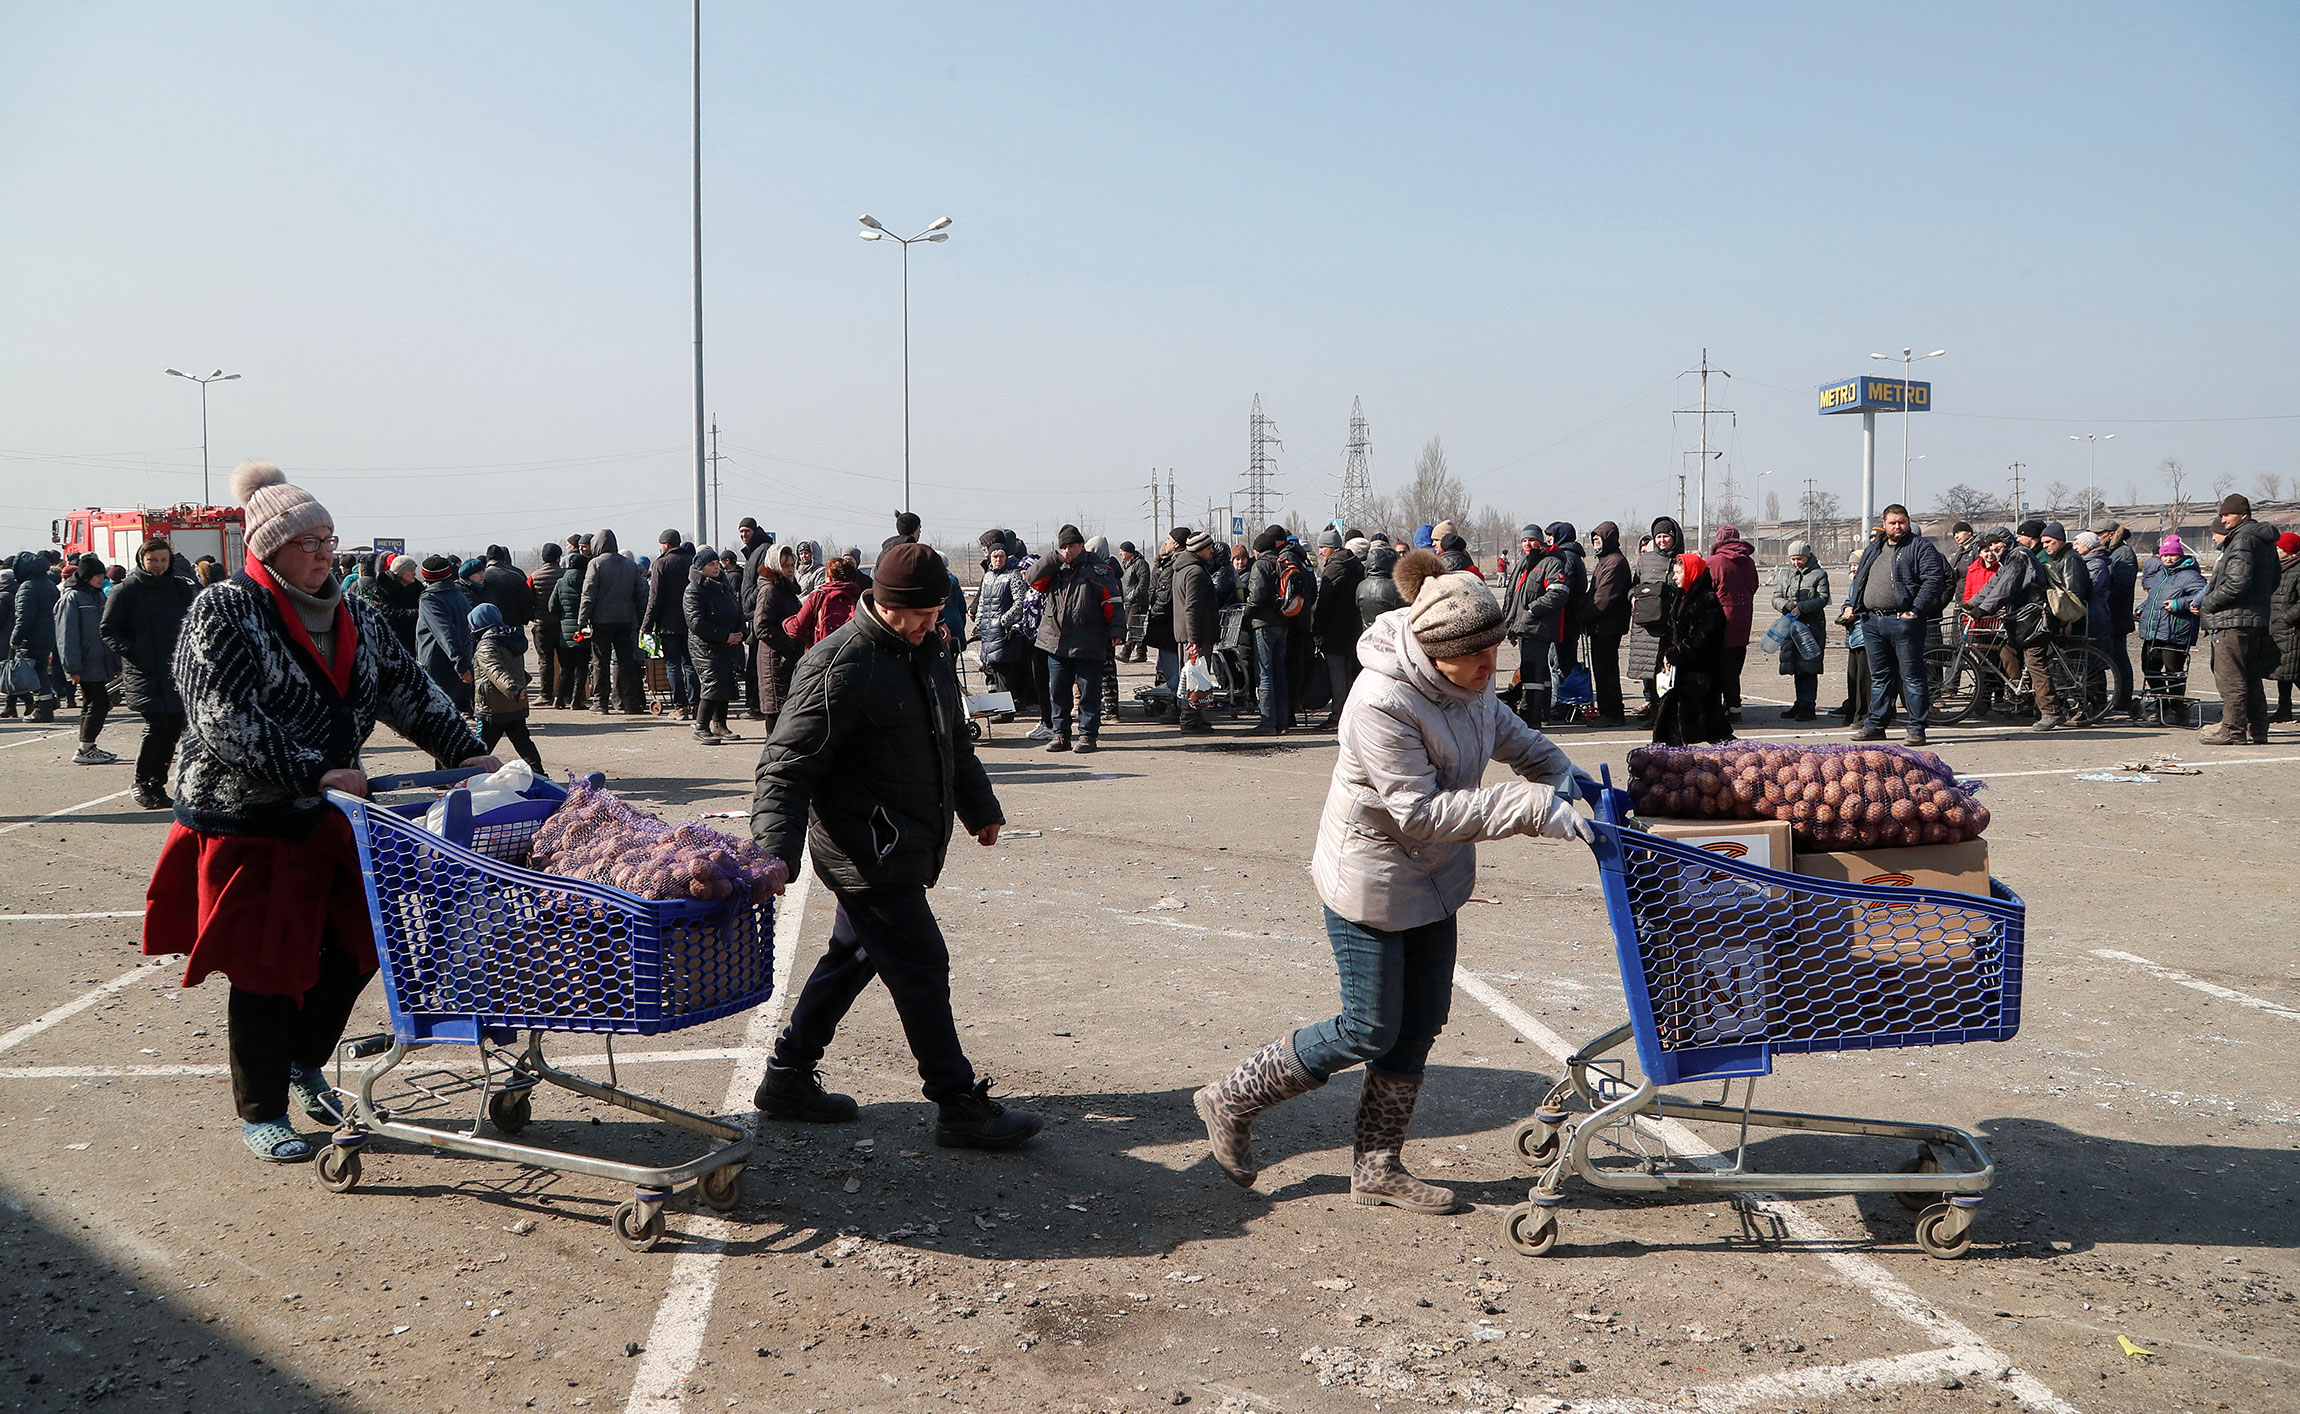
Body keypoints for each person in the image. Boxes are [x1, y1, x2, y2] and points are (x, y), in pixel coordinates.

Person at [1193, 548, 1590, 1213]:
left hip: (1434, 878)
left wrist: (1560, 773)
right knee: (1368, 1027)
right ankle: (1232, 1095)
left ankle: (1377, 1168)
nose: (1494, 673)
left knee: (1422, 1021)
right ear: (1437, 654)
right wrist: (1529, 808)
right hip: (1371, 880)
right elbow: (1418, 812)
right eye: (1481, 663)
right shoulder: (1379, 702)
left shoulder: (1473, 675)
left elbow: (1506, 731)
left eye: (1495, 659)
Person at [143, 461, 493, 1165]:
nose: (326, 552)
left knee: (363, 941)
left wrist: (472, 753)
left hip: (337, 809)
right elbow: (221, 718)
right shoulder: (224, 611)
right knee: (266, 963)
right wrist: (311, 769)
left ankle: (305, 1061)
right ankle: (263, 1110)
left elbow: (409, 691)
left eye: (331, 538)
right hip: (251, 814)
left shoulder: (355, 612)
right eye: (309, 541)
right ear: (267, 547)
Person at [749, 542, 1039, 1149]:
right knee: (921, 964)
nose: (940, 621)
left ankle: (787, 1076)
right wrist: (774, 853)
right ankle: (958, 1102)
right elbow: (784, 766)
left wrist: (978, 806)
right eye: (931, 611)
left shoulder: (925, 650)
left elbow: (952, 737)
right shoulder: (841, 665)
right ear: (892, 606)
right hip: (864, 849)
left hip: (900, 836)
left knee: (855, 955)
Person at [100, 538, 199, 807]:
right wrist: (134, 651)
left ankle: (158, 784)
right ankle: (142, 781)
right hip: (144, 671)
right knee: (157, 726)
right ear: (141, 559)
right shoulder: (126, 590)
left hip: (175, 671)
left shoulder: (179, 588)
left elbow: (193, 624)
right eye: (152, 560)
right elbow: (108, 630)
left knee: (173, 727)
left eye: (163, 560)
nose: (157, 565)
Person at [1843, 505, 1949, 747]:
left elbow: (1934, 579)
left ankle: (1916, 728)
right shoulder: (1874, 548)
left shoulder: (1920, 547)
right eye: (1893, 523)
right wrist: (1855, 607)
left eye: (1901, 522)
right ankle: (1876, 725)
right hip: (1871, 621)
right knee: (1879, 676)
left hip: (1904, 623)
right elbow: (1860, 580)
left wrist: (1915, 610)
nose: (1897, 527)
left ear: (1908, 522)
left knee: (1912, 677)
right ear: (1885, 523)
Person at [2197, 493, 2282, 745]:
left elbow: (2237, 582)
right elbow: (2274, 578)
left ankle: (2233, 730)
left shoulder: (2242, 539)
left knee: (2232, 676)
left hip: (2232, 621)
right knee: (2251, 675)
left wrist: (2208, 603)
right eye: (2222, 515)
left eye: (2227, 514)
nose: (2223, 520)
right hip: (2256, 618)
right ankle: (2258, 729)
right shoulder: (2263, 540)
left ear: (2243, 514)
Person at [1029, 525, 1122, 753]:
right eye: (1063, 546)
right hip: (1056, 642)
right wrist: (1053, 558)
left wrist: (1117, 630)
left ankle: (1088, 736)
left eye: (1071, 545)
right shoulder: (1055, 569)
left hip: (1088, 642)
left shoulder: (1099, 570)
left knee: (1089, 693)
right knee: (1058, 693)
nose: (1067, 550)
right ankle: (1061, 735)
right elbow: (1032, 579)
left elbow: (1113, 602)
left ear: (1081, 545)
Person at [1973, 521, 2061, 729]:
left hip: (2035, 619)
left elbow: (2006, 587)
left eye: (1997, 543)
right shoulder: (2007, 560)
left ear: (2006, 541)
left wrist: (1984, 609)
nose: (1994, 548)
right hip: (2021, 620)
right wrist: (1972, 603)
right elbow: (1993, 585)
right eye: (1990, 545)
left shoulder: (2019, 555)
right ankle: (2023, 699)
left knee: (2034, 661)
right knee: (2006, 652)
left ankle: (2050, 711)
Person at [1653, 552, 1732, 745]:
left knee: (1709, 729)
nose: (1675, 577)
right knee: (1673, 728)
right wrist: (1665, 654)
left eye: (1678, 572)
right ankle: (1673, 760)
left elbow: (1702, 638)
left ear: (1690, 572)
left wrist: (1675, 654)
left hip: (1700, 675)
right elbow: (1670, 630)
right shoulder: (1682, 596)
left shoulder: (1707, 600)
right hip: (1680, 672)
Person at [55, 553, 122, 765]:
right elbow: (67, 636)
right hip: (85, 663)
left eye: (102, 575)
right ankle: (85, 747)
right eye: (96, 576)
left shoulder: (97, 596)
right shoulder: (72, 598)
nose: (101, 579)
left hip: (99, 661)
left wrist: (114, 662)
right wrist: (72, 667)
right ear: (85, 576)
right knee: (100, 703)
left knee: (92, 703)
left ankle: (87, 745)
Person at [682, 545, 747, 744]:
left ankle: (720, 724)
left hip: (727, 642)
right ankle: (701, 726)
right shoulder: (694, 590)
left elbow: (737, 611)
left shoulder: (723, 586)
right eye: (711, 564)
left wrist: (740, 632)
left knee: (725, 682)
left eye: (717, 563)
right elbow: (696, 623)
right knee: (713, 683)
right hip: (705, 645)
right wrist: (724, 636)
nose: (716, 567)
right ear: (701, 567)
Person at [469, 602, 544, 772]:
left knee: (479, 747)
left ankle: (467, 777)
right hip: (516, 705)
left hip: (493, 708)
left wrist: (512, 689)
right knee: (524, 743)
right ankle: (540, 774)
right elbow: (514, 668)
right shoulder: (509, 638)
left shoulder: (486, 645)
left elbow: (495, 670)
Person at [578, 528, 646, 714]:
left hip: (601, 621)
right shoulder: (631, 566)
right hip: (625, 620)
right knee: (626, 661)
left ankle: (600, 703)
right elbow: (640, 595)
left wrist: (582, 620)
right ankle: (630, 702)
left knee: (600, 662)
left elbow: (588, 594)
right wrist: (643, 620)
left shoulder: (595, 564)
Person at [2137, 534, 2207, 709]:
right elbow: (2155, 597)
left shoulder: (2191, 575)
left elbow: (2202, 595)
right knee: (2150, 669)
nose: (2168, 558)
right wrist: (2143, 607)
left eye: (2172, 555)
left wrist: (2179, 604)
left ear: (2180, 555)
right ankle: (2162, 703)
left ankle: (2177, 707)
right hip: (2154, 630)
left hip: (2175, 632)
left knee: (2173, 673)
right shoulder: (2161, 574)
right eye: (2165, 555)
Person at [1244, 526, 1300, 734]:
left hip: (1264, 624)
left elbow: (1257, 596)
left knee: (1265, 674)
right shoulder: (1282, 562)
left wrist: (1247, 613)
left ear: (1257, 550)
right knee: (1279, 673)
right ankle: (1282, 721)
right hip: (1283, 622)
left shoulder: (1260, 565)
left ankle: (1267, 722)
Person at [1624, 516, 1682, 719]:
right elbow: (1633, 585)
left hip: (1670, 622)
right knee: (1647, 668)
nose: (1662, 540)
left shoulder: (1681, 559)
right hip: (1645, 623)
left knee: (1667, 668)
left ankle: (1667, 711)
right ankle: (1652, 705)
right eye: (1658, 536)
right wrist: (1633, 598)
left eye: (1667, 536)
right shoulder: (1645, 560)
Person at [1311, 528, 1365, 730]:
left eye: (1323, 547)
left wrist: (1318, 630)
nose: (1320, 551)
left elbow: (1324, 603)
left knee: (1337, 675)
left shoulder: (1334, 568)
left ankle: (1338, 715)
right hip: (1351, 628)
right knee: (1348, 674)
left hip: (1335, 630)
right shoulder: (1353, 565)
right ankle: (1349, 713)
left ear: (1332, 548)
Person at [1769, 540, 1830, 720]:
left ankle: (1808, 705)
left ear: (1808, 556)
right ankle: (1799, 702)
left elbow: (1823, 598)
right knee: (1796, 666)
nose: (1796, 562)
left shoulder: (1819, 574)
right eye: (1793, 559)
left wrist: (1801, 607)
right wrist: (1785, 605)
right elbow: (1775, 596)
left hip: (1811, 627)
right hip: (1791, 626)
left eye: (1800, 558)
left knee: (1809, 667)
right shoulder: (1785, 574)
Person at [1170, 528, 1222, 734]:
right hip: (1195, 634)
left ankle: (1195, 717)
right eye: (1208, 548)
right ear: (1199, 549)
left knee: (1196, 676)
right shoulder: (1195, 572)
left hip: (1188, 633)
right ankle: (1190, 720)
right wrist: (1194, 639)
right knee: (1194, 678)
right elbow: (1192, 607)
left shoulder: (1183, 569)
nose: (1212, 551)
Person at [748, 553, 805, 733]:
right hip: (774, 659)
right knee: (775, 711)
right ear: (774, 566)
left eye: (791, 565)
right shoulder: (770, 590)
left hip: (787, 659)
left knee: (787, 714)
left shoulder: (786, 590)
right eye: (785, 565)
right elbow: (762, 627)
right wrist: (789, 645)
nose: (789, 570)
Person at [1581, 521, 1630, 724]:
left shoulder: (1615, 562)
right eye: (1594, 540)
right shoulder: (1605, 561)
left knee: (1606, 670)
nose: (1596, 543)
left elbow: (1604, 598)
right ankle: (1608, 710)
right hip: (1601, 626)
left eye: (1599, 539)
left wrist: (1583, 616)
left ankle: (1612, 713)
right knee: (1602, 670)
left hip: (1608, 626)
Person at [1707, 525, 1758, 719]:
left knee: (1716, 666)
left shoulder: (1714, 562)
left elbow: (1707, 590)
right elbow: (1753, 586)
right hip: (1743, 619)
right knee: (1733, 666)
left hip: (1719, 620)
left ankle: (1716, 707)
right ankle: (1734, 705)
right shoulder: (1749, 562)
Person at [646, 530, 697, 721]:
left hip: (668, 625)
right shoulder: (692, 562)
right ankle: (696, 704)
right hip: (691, 622)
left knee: (673, 665)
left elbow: (655, 599)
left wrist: (646, 626)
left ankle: (680, 707)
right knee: (690, 664)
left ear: (665, 544)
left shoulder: (660, 564)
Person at [415, 554, 474, 715]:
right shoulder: (459, 595)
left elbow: (445, 632)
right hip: (462, 659)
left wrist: (460, 664)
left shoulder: (430, 600)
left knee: (437, 715)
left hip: (439, 663)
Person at [9, 550, 61, 721]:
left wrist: (15, 639)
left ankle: (42, 709)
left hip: (32, 637)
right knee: (41, 670)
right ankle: (46, 706)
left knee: (33, 673)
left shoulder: (28, 587)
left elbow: (23, 617)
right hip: (48, 634)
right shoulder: (49, 584)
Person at [735, 518, 776, 717]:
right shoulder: (753, 550)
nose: (743, 535)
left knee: (758, 663)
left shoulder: (764, 549)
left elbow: (763, 581)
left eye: (746, 531)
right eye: (741, 531)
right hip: (753, 613)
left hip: (758, 613)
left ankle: (757, 705)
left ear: (754, 530)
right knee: (754, 662)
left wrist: (749, 602)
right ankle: (755, 704)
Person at [2100, 522, 2141, 716]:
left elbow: (2122, 587)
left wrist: (2105, 600)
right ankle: (2121, 696)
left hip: (2117, 613)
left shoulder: (2123, 553)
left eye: (2099, 534)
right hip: (2112, 612)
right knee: (2116, 656)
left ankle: (2124, 697)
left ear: (2109, 534)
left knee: (2119, 657)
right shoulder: (2113, 552)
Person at [546, 539, 592, 709]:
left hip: (565, 632)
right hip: (583, 630)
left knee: (566, 668)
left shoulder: (561, 582)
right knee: (581, 668)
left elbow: (552, 606)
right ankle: (576, 700)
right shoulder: (588, 582)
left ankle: (558, 699)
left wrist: (563, 618)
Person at [786, 555, 862, 652]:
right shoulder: (860, 597)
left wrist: (786, 622)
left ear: (829, 578)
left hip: (821, 655)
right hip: (852, 654)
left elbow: (796, 628)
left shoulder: (818, 596)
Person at [529, 543, 566, 706]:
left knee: (545, 660)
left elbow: (527, 600)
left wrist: (533, 617)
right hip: (562, 624)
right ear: (559, 558)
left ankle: (545, 694)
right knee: (565, 661)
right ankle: (564, 695)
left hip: (542, 624)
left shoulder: (534, 577)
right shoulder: (564, 575)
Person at [476, 544, 538, 630]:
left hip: (487, 626)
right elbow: (528, 602)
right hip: (514, 627)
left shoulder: (480, 579)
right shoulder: (516, 577)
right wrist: (523, 620)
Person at [1119, 541, 1152, 662]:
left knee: (1133, 627)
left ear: (1129, 552)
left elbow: (1143, 582)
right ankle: (1141, 652)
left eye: (1122, 551)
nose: (1120, 553)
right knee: (1137, 627)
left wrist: (1133, 595)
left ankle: (1126, 652)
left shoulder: (1140, 564)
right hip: (1128, 601)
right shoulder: (1126, 565)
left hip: (1138, 601)